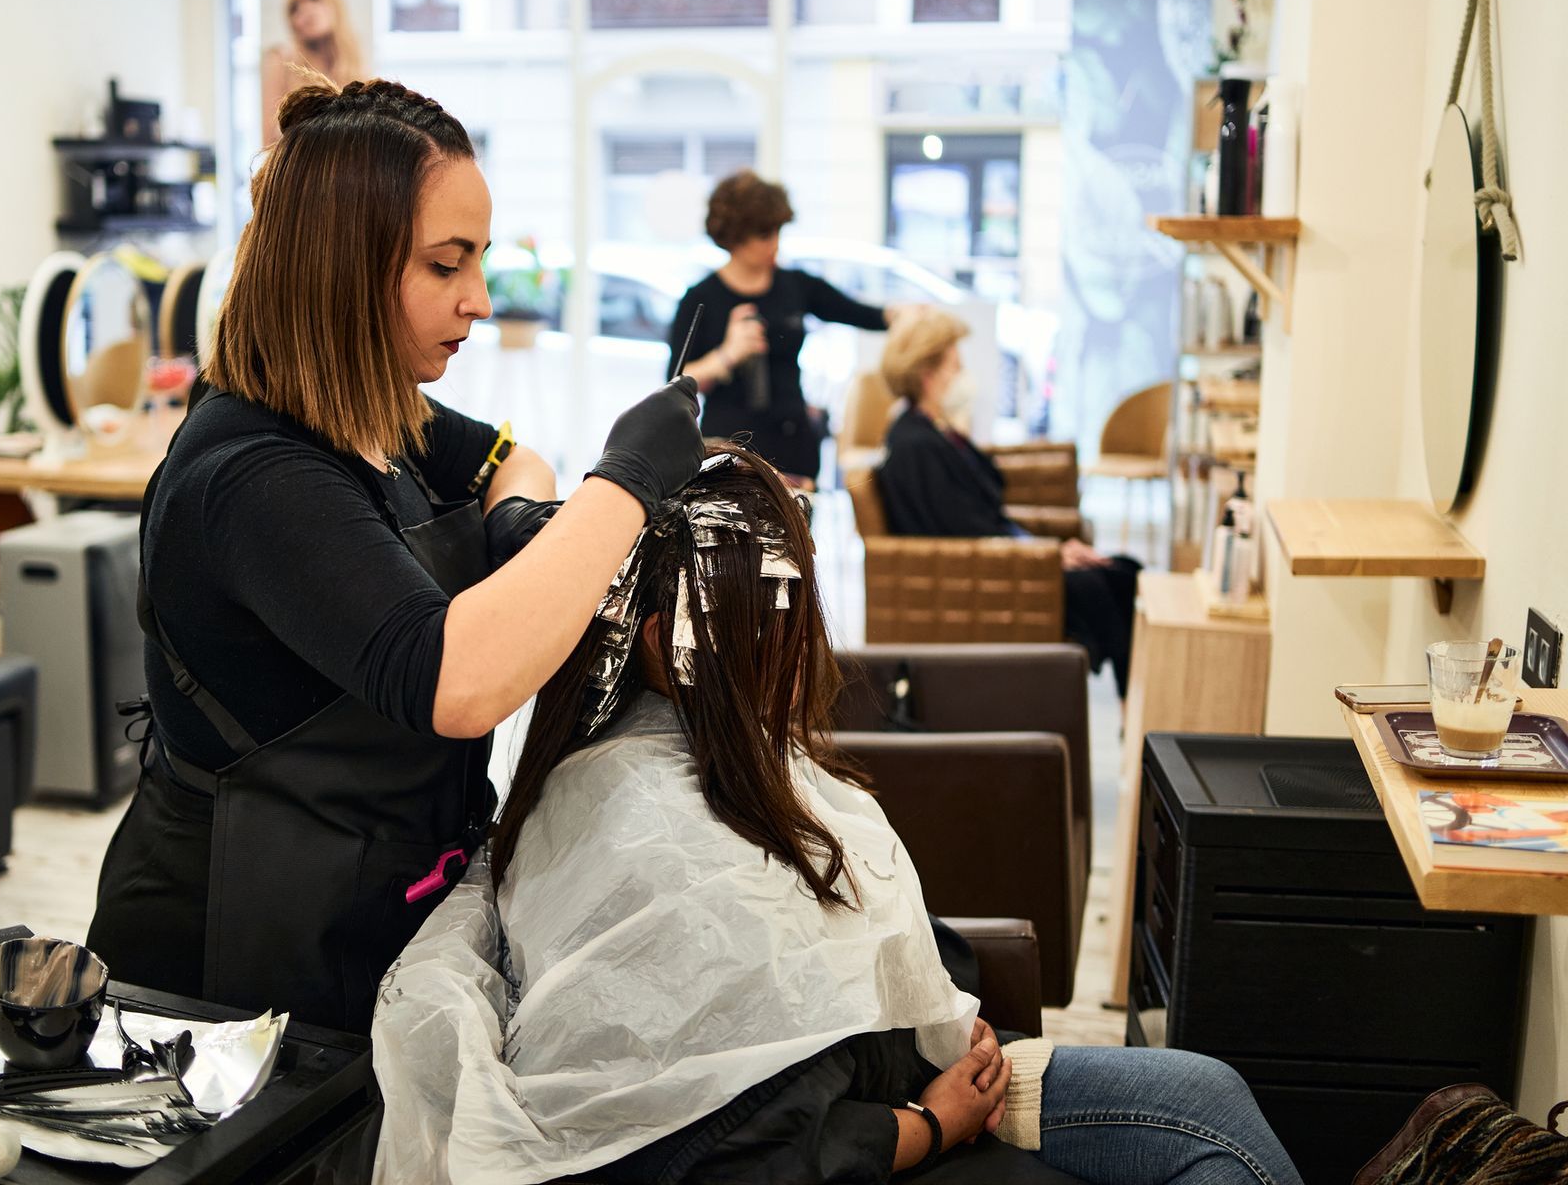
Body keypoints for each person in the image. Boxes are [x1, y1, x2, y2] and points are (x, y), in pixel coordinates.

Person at [372, 445, 1301, 1185]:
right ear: (663, 639)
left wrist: (938, 998)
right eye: (771, 608)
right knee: (1209, 1124)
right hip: (883, 1118)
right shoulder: (638, 821)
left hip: (912, 1064)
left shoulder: (683, 746)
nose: (801, 638)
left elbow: (806, 961)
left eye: (796, 600)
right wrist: (932, 1122)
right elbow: (716, 1143)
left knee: (1212, 1102)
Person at [86, 78, 706, 1036]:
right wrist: (622, 485)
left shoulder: (379, 412)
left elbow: (510, 453)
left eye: (480, 261)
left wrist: (524, 516)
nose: (480, 300)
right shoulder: (255, 475)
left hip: (374, 887)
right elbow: (455, 678)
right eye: (444, 265)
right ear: (342, 268)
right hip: (236, 951)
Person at [876, 308, 1140, 697]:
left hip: (1002, 558)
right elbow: (964, 529)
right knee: (1113, 579)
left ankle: (1133, 702)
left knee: (1123, 571)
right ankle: (1131, 702)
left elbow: (983, 507)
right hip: (984, 578)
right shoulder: (914, 445)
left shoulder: (935, 429)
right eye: (956, 367)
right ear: (927, 375)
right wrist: (1047, 554)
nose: (963, 377)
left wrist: (1050, 548)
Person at [669, 170, 893, 490]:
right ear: (735, 237)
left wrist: (900, 316)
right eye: (764, 235)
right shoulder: (701, 299)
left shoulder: (796, 286)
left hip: (792, 447)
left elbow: (862, 314)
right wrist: (727, 355)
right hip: (727, 453)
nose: (775, 243)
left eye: (777, 231)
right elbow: (676, 383)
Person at [261, 0, 368, 145]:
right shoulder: (280, 60)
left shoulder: (356, 63)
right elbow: (268, 144)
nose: (305, 10)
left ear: (335, 4)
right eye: (294, 8)